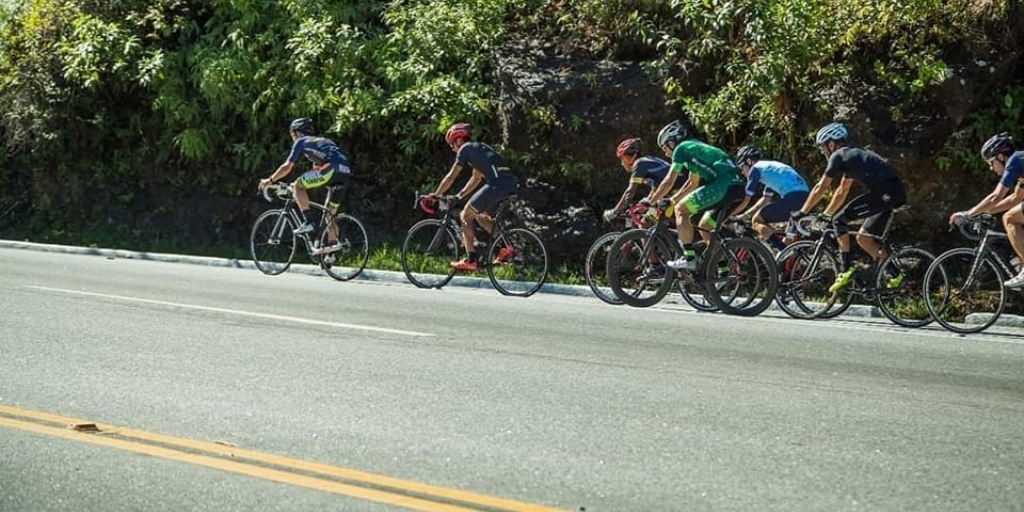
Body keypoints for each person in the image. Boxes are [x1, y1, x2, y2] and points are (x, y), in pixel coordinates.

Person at [791, 122, 907, 293]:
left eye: (822, 147)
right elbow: (842, 191)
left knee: (839, 220)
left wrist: (802, 212)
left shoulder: (838, 155)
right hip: (889, 193)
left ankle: (846, 269)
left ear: (831, 143)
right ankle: (895, 274)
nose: (822, 151)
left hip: (886, 192)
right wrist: (825, 214)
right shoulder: (851, 158)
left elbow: (821, 187)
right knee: (863, 238)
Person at [644, 120, 746, 270]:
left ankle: (689, 257)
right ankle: (724, 272)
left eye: (664, 147)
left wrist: (650, 201)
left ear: (672, 142)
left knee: (681, 210)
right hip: (737, 187)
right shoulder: (694, 149)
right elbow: (692, 183)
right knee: (705, 225)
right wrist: (671, 200)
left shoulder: (681, 149)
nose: (665, 153)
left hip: (722, 185)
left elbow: (669, 180)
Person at [430, 122, 518, 271]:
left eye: (452, 145)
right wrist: (459, 196)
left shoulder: (465, 149)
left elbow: (451, 177)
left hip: (496, 185)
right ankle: (506, 246)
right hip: (509, 183)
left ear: (458, 140)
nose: (453, 149)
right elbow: (476, 178)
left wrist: (436, 195)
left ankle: (471, 259)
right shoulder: (478, 148)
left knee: (465, 215)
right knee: (480, 216)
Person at [258, 118, 353, 252]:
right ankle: (331, 251)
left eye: (292, 134)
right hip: (345, 172)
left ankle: (309, 222)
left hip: (330, 169)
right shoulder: (323, 141)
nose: (293, 138)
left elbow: (287, 166)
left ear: (297, 132)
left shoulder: (301, 141)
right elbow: (316, 169)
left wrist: (270, 180)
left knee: (298, 186)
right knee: (329, 215)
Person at [948, 132, 1024, 288]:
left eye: (991, 162)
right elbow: (1015, 198)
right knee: (1011, 215)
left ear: (1001, 156)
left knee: (1009, 218)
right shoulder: (1021, 165)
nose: (991, 168)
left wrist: (968, 214)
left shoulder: (1014, 160)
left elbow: (995, 197)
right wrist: (984, 212)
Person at [732, 145, 810, 251]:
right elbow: (765, 200)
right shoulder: (769, 170)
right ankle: (791, 261)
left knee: (756, 220)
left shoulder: (755, 170)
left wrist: (731, 216)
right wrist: (745, 215)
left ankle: (783, 251)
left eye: (741, 167)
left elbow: (746, 200)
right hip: (805, 198)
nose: (742, 172)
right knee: (789, 242)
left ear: (749, 161)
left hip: (793, 198)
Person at [603, 138, 673, 223]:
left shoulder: (639, 164)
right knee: (650, 222)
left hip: (673, 193)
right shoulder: (647, 161)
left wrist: (615, 211)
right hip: (672, 192)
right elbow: (656, 188)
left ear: (630, 157)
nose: (622, 163)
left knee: (645, 223)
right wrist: (645, 202)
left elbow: (630, 191)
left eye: (622, 159)